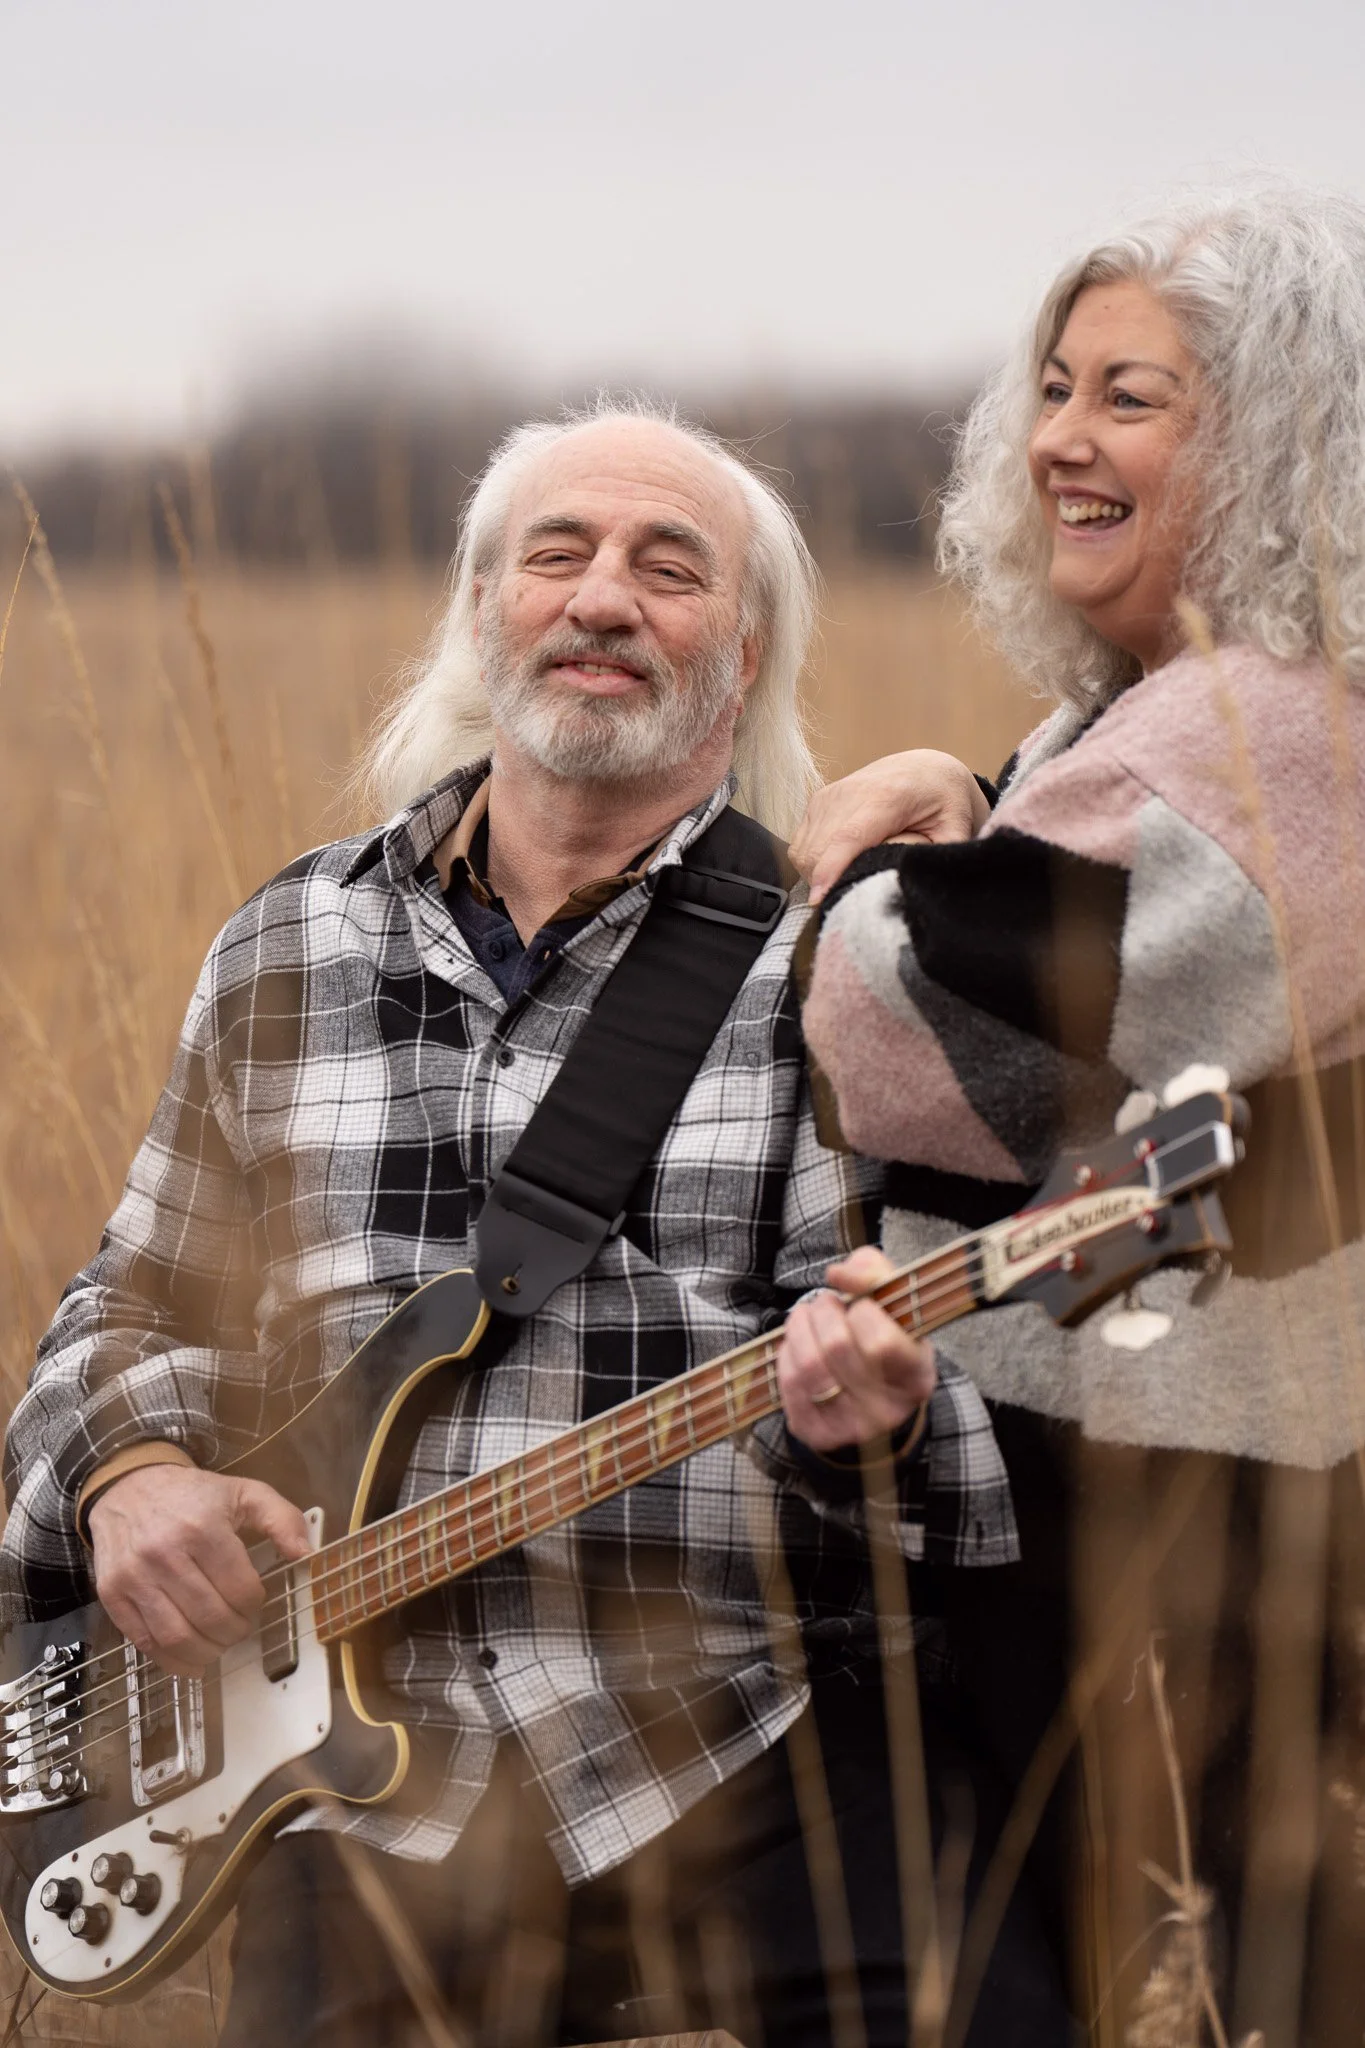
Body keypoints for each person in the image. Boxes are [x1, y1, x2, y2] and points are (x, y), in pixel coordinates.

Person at [0, 403, 1042, 2048]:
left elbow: (966, 1450)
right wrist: (130, 1480)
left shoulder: (833, 952)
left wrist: (876, 1423)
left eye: (668, 567)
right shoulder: (291, 943)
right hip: (350, 1791)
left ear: (744, 646)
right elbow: (120, 1307)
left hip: (730, 1733)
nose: (603, 597)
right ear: (484, 614)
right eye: (555, 554)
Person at [788, 188, 1365, 2043]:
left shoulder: (1278, 729)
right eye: (1051, 387)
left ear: (1278, 438)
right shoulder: (1166, 713)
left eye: (1133, 397)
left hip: (1219, 1517)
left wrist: (862, 879)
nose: (1059, 440)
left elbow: (907, 1024)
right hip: (1145, 1475)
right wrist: (971, 791)